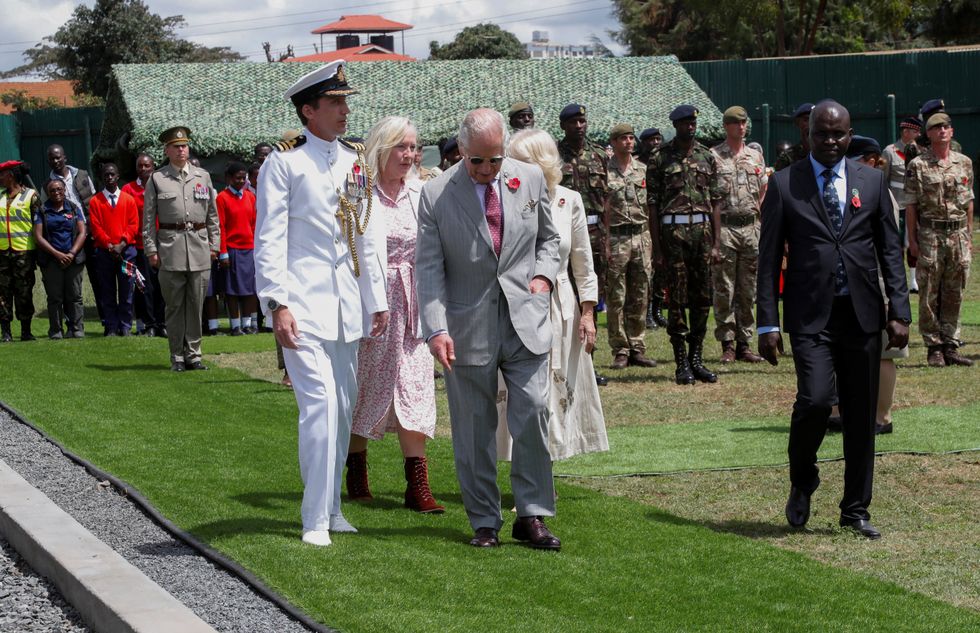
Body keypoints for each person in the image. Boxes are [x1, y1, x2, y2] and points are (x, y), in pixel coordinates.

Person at [757, 100, 911, 539]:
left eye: (838, 134)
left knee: (862, 416)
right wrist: (767, 324)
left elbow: (890, 252)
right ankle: (803, 480)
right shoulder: (786, 184)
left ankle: (855, 510)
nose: (829, 142)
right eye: (821, 134)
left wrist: (899, 311)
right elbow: (768, 261)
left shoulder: (873, 181)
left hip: (861, 314)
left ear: (850, 135)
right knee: (817, 401)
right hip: (810, 317)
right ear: (809, 136)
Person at [254, 61, 389, 546]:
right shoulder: (284, 164)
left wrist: (377, 298)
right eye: (335, 103)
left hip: (347, 306)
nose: (344, 110)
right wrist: (277, 304)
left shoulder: (353, 160)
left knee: (343, 407)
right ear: (309, 110)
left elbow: (367, 235)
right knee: (321, 405)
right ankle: (313, 519)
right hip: (303, 304)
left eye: (345, 102)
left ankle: (331, 509)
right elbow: (268, 238)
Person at [416, 108, 562, 550]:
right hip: (465, 326)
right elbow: (429, 269)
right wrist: (436, 329)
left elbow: (549, 241)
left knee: (534, 410)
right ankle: (484, 520)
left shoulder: (530, 179)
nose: (486, 169)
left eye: (495, 160)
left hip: (525, 319)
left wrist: (544, 276)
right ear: (461, 150)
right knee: (474, 427)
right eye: (477, 160)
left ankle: (532, 514)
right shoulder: (436, 194)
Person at [346, 116, 444, 514]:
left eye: (413, 147)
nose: (410, 155)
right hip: (373, 305)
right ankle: (356, 470)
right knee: (367, 386)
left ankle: (417, 485)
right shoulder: (358, 193)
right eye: (401, 147)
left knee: (415, 386)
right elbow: (347, 248)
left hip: (414, 307)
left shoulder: (421, 193)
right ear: (382, 149)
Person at [496, 127, 607, 462]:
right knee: (522, 391)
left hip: (559, 306)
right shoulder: (504, 199)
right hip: (515, 304)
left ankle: (542, 472)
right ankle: (526, 472)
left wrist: (588, 313)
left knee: (554, 388)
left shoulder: (567, 200)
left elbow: (583, 262)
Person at [647, 105, 724, 385]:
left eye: (692, 122)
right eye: (684, 123)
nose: (689, 127)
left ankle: (697, 359)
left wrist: (716, 242)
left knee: (703, 298)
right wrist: (656, 248)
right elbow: (653, 205)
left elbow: (715, 202)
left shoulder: (707, 155)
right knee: (677, 299)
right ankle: (681, 362)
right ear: (675, 125)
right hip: (673, 233)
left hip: (702, 233)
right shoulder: (659, 158)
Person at [143, 126, 221, 371]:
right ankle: (177, 355)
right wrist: (151, 250)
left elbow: (212, 216)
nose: (181, 150)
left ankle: (194, 354)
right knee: (175, 306)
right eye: (176, 147)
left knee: (196, 304)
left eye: (184, 146)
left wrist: (215, 245)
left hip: (199, 248)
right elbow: (148, 219)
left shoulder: (202, 176)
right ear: (166, 150)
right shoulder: (157, 178)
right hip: (170, 249)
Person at [847, 136, 910, 435]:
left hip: (879, 281)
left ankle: (882, 417)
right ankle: (839, 411)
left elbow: (887, 246)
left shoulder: (879, 191)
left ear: (871, 160)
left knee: (886, 353)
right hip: (852, 281)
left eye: (855, 159)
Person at [905, 112, 974, 368]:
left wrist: (968, 235)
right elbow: (911, 206)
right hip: (931, 234)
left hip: (958, 234)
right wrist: (912, 240)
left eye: (946, 127)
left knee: (955, 290)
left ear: (951, 132)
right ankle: (933, 346)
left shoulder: (964, 163)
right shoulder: (918, 165)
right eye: (937, 128)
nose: (943, 130)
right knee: (929, 291)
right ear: (930, 134)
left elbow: (968, 201)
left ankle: (951, 344)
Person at [557, 103, 610, 387]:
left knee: (591, 299)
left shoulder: (600, 155)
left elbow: (608, 201)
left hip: (596, 233)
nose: (579, 125)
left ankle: (590, 360)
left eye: (582, 120)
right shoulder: (554, 155)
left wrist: (609, 238)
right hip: (565, 235)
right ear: (563, 125)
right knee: (568, 299)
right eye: (573, 122)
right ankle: (569, 359)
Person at [711, 106, 766, 364]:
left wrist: (758, 217)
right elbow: (712, 200)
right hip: (725, 229)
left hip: (750, 228)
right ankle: (728, 344)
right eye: (735, 123)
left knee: (748, 288)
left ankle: (745, 342)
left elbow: (763, 190)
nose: (741, 127)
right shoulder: (714, 156)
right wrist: (714, 236)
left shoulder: (755, 156)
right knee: (724, 288)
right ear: (726, 126)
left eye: (743, 123)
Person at [605, 123, 656, 369]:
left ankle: (637, 346)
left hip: (641, 236)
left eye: (631, 138)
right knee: (616, 296)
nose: (628, 142)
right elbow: (602, 208)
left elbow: (650, 208)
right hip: (616, 238)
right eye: (623, 138)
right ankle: (620, 349)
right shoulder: (605, 171)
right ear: (613, 142)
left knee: (640, 294)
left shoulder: (643, 170)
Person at [47, 145, 99, 324]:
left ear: (65, 158)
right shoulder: (48, 182)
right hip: (68, 237)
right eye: (52, 158)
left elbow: (94, 201)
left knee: (97, 277)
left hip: (89, 232)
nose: (55, 161)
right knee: (69, 284)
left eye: (58, 157)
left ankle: (104, 317)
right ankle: (72, 322)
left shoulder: (82, 175)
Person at [88, 162, 139, 337]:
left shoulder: (128, 199)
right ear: (101, 178)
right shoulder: (95, 201)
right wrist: (110, 246)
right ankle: (110, 326)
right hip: (104, 253)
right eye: (106, 175)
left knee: (127, 291)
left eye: (112, 174)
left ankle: (125, 326)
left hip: (126, 252)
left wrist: (121, 245)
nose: (109, 177)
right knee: (107, 291)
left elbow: (133, 225)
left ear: (118, 176)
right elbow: (96, 227)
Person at [33, 179, 87, 339]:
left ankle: (76, 328)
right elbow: (38, 236)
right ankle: (56, 330)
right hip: (51, 261)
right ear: (48, 194)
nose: (56, 193)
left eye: (59, 189)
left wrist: (71, 253)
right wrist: (58, 254)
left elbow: (82, 232)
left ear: (64, 190)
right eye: (52, 191)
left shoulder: (74, 207)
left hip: (73, 259)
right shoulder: (42, 210)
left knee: (75, 296)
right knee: (55, 297)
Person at [122, 154, 166, 337]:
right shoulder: (128, 189)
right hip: (140, 246)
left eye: (147, 166)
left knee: (162, 286)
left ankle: (162, 322)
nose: (144, 169)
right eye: (140, 166)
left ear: (153, 167)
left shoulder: (162, 185)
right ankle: (149, 324)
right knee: (144, 287)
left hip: (163, 244)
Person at [215, 161, 258, 336]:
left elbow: (254, 224)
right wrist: (223, 252)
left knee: (249, 289)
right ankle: (235, 325)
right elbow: (221, 227)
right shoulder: (222, 198)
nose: (241, 181)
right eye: (237, 178)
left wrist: (257, 248)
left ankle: (247, 324)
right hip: (232, 249)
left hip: (249, 249)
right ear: (229, 178)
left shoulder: (250, 197)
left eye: (243, 178)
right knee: (232, 290)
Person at [0, 160, 39, 342]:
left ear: (12, 176)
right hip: (2, 254)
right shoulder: (0, 196)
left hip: (23, 253)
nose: (0, 178)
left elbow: (40, 224)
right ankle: (6, 332)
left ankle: (26, 331)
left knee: (24, 292)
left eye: (3, 174)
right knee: (2, 294)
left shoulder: (31, 196)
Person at [881, 118, 922, 294]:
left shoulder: (921, 151)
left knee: (914, 241)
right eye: (915, 132)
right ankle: (898, 279)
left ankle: (914, 280)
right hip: (896, 205)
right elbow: (882, 179)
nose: (919, 135)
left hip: (915, 205)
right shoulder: (890, 152)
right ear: (906, 132)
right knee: (896, 245)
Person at [773, 103, 814, 171]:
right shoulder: (788, 158)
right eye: (806, 120)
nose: (810, 124)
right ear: (798, 123)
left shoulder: (826, 153)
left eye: (814, 120)